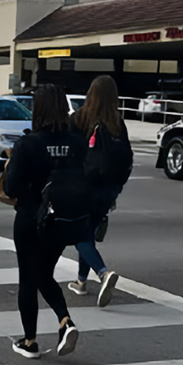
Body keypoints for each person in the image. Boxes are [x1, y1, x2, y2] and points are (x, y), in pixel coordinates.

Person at [3, 84, 87, 359]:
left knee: (28, 279)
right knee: (43, 273)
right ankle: (65, 321)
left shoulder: (28, 143)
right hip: (62, 221)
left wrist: (11, 164)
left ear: (38, 109)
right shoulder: (77, 141)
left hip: (30, 218)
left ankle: (30, 341)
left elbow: (12, 188)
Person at [67, 75, 132, 307]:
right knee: (89, 232)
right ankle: (81, 281)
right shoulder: (117, 123)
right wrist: (116, 190)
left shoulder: (79, 118)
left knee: (79, 234)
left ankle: (103, 273)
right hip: (109, 189)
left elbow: (70, 153)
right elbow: (127, 159)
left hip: (84, 187)